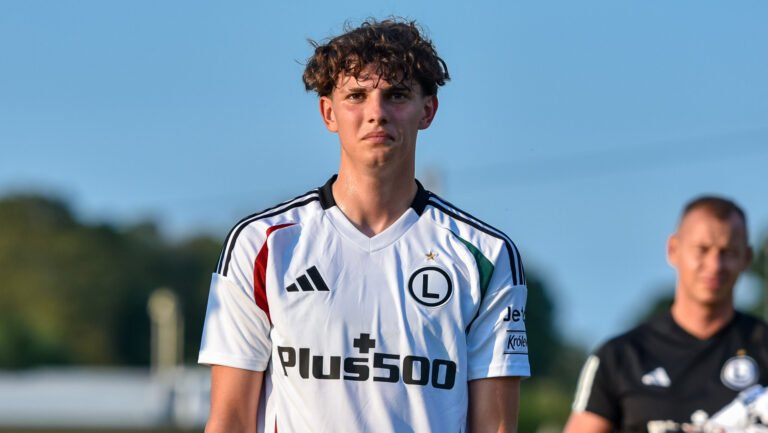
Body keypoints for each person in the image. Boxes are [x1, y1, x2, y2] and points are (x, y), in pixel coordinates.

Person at [198, 19, 529, 433]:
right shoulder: (262, 244)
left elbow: (496, 427)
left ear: (428, 110)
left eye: (396, 95)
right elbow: (229, 420)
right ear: (328, 112)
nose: (376, 113)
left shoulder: (485, 254)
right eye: (356, 95)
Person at [564, 196, 768, 433]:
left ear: (747, 258)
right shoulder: (619, 357)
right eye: (702, 250)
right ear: (673, 249)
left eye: (728, 252)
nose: (714, 264)